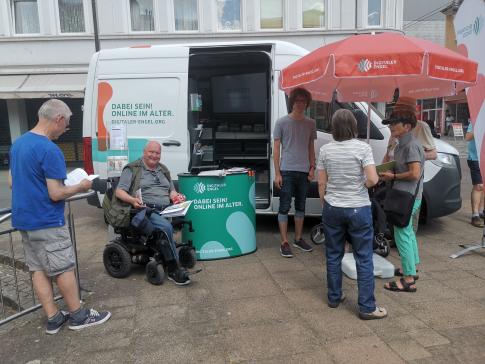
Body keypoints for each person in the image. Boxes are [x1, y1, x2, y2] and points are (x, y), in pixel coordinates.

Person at [8, 99, 111, 334]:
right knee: (62, 267)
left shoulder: (19, 144)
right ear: (58, 119)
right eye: (67, 123)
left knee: (37, 269)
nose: (66, 129)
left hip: (24, 220)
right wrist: (83, 185)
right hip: (46, 220)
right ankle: (78, 315)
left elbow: (13, 182)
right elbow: (56, 193)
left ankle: (53, 318)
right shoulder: (49, 149)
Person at [317, 109, 387, 320]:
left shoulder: (326, 150)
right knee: (364, 257)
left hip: (333, 208)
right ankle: (367, 307)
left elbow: (321, 182)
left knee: (333, 254)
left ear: (334, 127)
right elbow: (373, 180)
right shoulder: (363, 148)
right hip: (358, 208)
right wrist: (361, 186)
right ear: (354, 126)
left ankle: (334, 297)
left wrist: (326, 203)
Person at [114, 140, 191, 285]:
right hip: (145, 209)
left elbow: (171, 190)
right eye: (151, 152)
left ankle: (171, 253)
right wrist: (132, 200)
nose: (154, 156)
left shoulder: (163, 169)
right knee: (166, 228)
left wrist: (176, 196)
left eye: (157, 153)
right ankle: (174, 270)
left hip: (165, 208)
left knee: (183, 218)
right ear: (144, 152)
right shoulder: (132, 169)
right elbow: (119, 191)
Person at [380, 105, 425, 293]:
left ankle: (408, 280)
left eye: (394, 124)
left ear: (407, 126)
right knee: (407, 232)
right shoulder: (401, 143)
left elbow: (415, 173)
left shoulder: (411, 145)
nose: (391, 127)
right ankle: (412, 269)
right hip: (405, 194)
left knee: (402, 233)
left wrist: (394, 177)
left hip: (407, 196)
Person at [382, 97, 437, 235]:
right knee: (399, 227)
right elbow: (389, 152)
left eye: (401, 110)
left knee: (407, 228)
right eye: (397, 109)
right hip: (395, 185)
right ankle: (403, 248)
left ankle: (406, 252)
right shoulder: (395, 128)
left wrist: (412, 158)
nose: (397, 111)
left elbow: (433, 154)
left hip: (410, 188)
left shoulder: (421, 127)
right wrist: (383, 167)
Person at [273, 87, 317, 258]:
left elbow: (310, 147)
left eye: (304, 101)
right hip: (287, 170)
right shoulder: (281, 122)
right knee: (284, 206)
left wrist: (312, 167)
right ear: (292, 102)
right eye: (298, 100)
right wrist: (277, 173)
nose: (301, 104)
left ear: (307, 103)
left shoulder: (311, 123)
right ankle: (284, 242)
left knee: (301, 206)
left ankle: (298, 239)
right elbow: (276, 149)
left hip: (304, 170)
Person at [465, 123, 484, 228]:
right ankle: (475, 215)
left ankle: (481, 211)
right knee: (479, 186)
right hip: (476, 158)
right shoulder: (476, 120)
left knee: (484, 187)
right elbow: (467, 137)